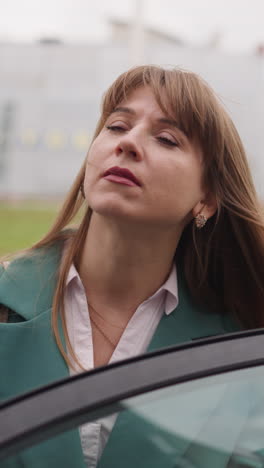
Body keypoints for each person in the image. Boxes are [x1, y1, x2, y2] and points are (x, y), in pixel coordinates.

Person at [1, 65, 264, 468]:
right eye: (117, 126)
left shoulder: (240, 354)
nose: (129, 144)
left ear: (206, 198)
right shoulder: (5, 298)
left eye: (166, 138)